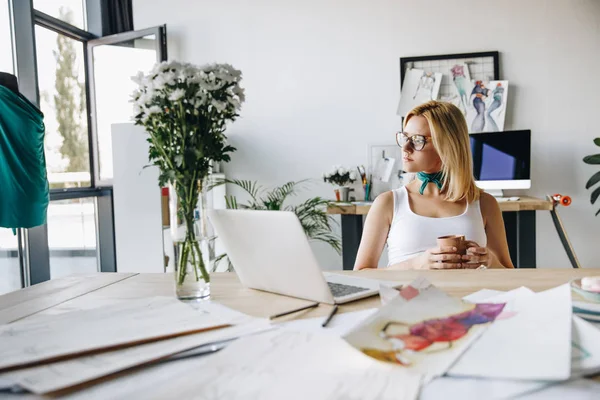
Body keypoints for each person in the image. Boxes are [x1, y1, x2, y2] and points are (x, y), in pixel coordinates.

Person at [354, 101, 514, 270]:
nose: (405, 148)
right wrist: (417, 264)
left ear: (447, 145)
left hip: (467, 295)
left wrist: (490, 262)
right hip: (409, 296)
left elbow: (509, 274)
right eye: (405, 137)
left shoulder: (484, 203)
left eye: (417, 140)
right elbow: (361, 274)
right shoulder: (388, 203)